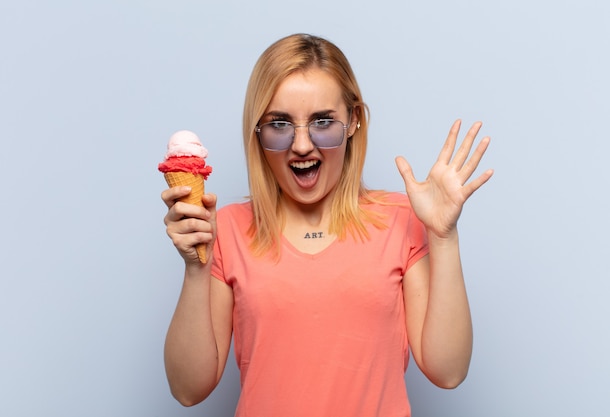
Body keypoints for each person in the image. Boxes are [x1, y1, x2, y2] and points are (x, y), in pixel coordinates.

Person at [160, 33, 493, 417]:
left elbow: (448, 371)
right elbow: (187, 389)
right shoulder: (228, 230)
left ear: (353, 121)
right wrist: (195, 265)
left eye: (323, 122)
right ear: (258, 132)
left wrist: (444, 236)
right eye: (280, 124)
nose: (302, 145)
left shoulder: (401, 221)